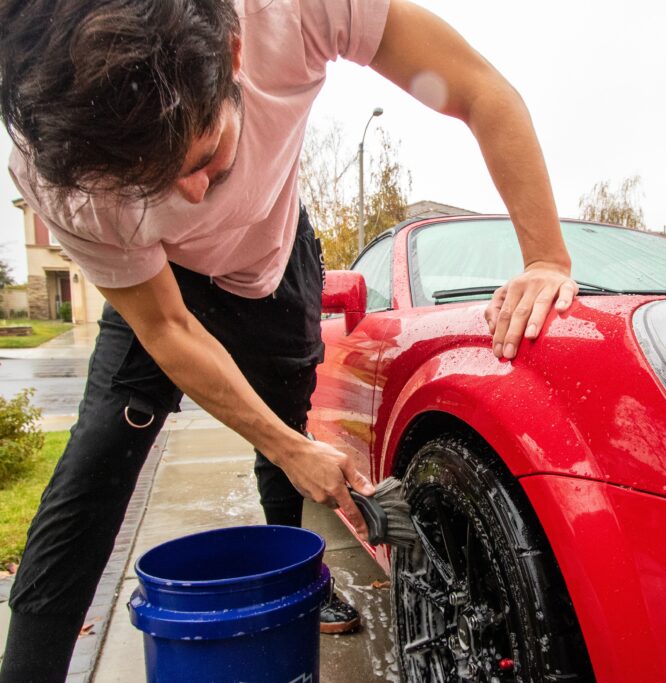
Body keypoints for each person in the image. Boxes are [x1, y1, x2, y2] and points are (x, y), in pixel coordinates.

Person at [0, 0, 578, 679]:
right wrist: (286, 442)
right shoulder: (59, 170)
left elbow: (481, 90)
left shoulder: (294, 10)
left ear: (236, 52)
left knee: (286, 443)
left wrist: (546, 259)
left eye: (207, 155)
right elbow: (165, 327)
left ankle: (298, 569)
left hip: (274, 268)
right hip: (161, 286)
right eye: (151, 186)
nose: (190, 197)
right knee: (93, 466)